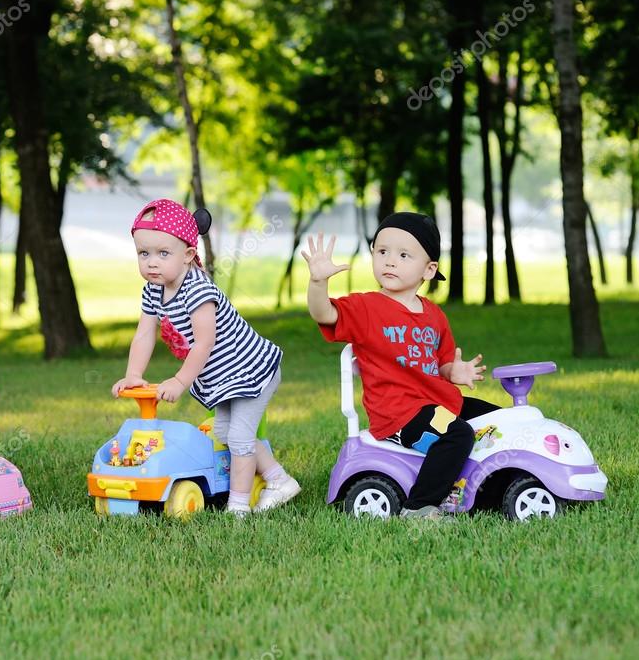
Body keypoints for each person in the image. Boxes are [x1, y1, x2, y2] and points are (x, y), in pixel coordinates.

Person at [302, 212, 498, 520]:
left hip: (436, 401)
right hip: (398, 412)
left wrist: (454, 372)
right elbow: (324, 314)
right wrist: (318, 282)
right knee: (457, 435)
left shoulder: (434, 315)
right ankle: (419, 507)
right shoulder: (366, 307)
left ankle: (486, 485)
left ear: (429, 269)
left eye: (404, 255)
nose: (390, 261)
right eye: (382, 252)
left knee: (496, 419)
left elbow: (442, 363)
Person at [112, 199, 300, 517]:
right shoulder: (153, 291)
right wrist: (133, 374)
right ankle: (278, 479)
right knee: (226, 433)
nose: (151, 263)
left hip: (251, 369)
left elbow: (204, 343)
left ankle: (238, 506)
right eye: (144, 253)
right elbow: (144, 334)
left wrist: (180, 380)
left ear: (187, 255)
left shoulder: (197, 289)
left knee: (239, 436)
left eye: (162, 253)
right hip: (224, 377)